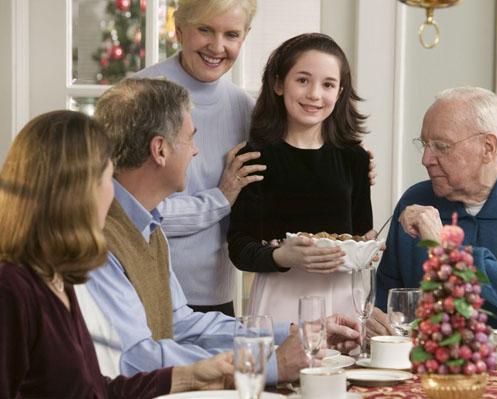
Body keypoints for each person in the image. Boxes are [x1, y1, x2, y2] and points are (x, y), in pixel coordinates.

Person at [84, 78, 360, 385]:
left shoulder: (149, 225)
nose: (196, 152)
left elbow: (183, 324)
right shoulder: (99, 241)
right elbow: (135, 358)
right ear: (160, 150)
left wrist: (298, 332)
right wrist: (268, 363)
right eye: (190, 139)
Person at [136, 0, 376, 316]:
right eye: (205, 29)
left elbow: (358, 231)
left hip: (217, 292)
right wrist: (220, 199)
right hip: (148, 286)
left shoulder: (243, 110)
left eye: (231, 34)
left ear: (245, 36)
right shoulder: (140, 95)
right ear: (179, 29)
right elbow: (131, 207)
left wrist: (355, 167)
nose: (217, 46)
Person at [0, 110, 234, 399]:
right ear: (75, 191)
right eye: (108, 178)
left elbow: (94, 390)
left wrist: (187, 377)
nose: (112, 195)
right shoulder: (11, 288)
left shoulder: (58, 279)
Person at [370, 86, 497, 343]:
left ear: (488, 147)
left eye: (441, 146)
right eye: (424, 144)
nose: (426, 159)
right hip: (430, 369)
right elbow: (388, 299)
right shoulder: (414, 201)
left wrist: (451, 252)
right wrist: (376, 322)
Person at [227, 33, 373, 323]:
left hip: (344, 299)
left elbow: (362, 234)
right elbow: (240, 249)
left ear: (340, 91)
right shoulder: (255, 158)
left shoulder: (354, 158)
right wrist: (284, 256)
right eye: (303, 80)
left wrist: (369, 249)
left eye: (328, 84)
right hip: (278, 303)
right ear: (279, 84)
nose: (315, 94)